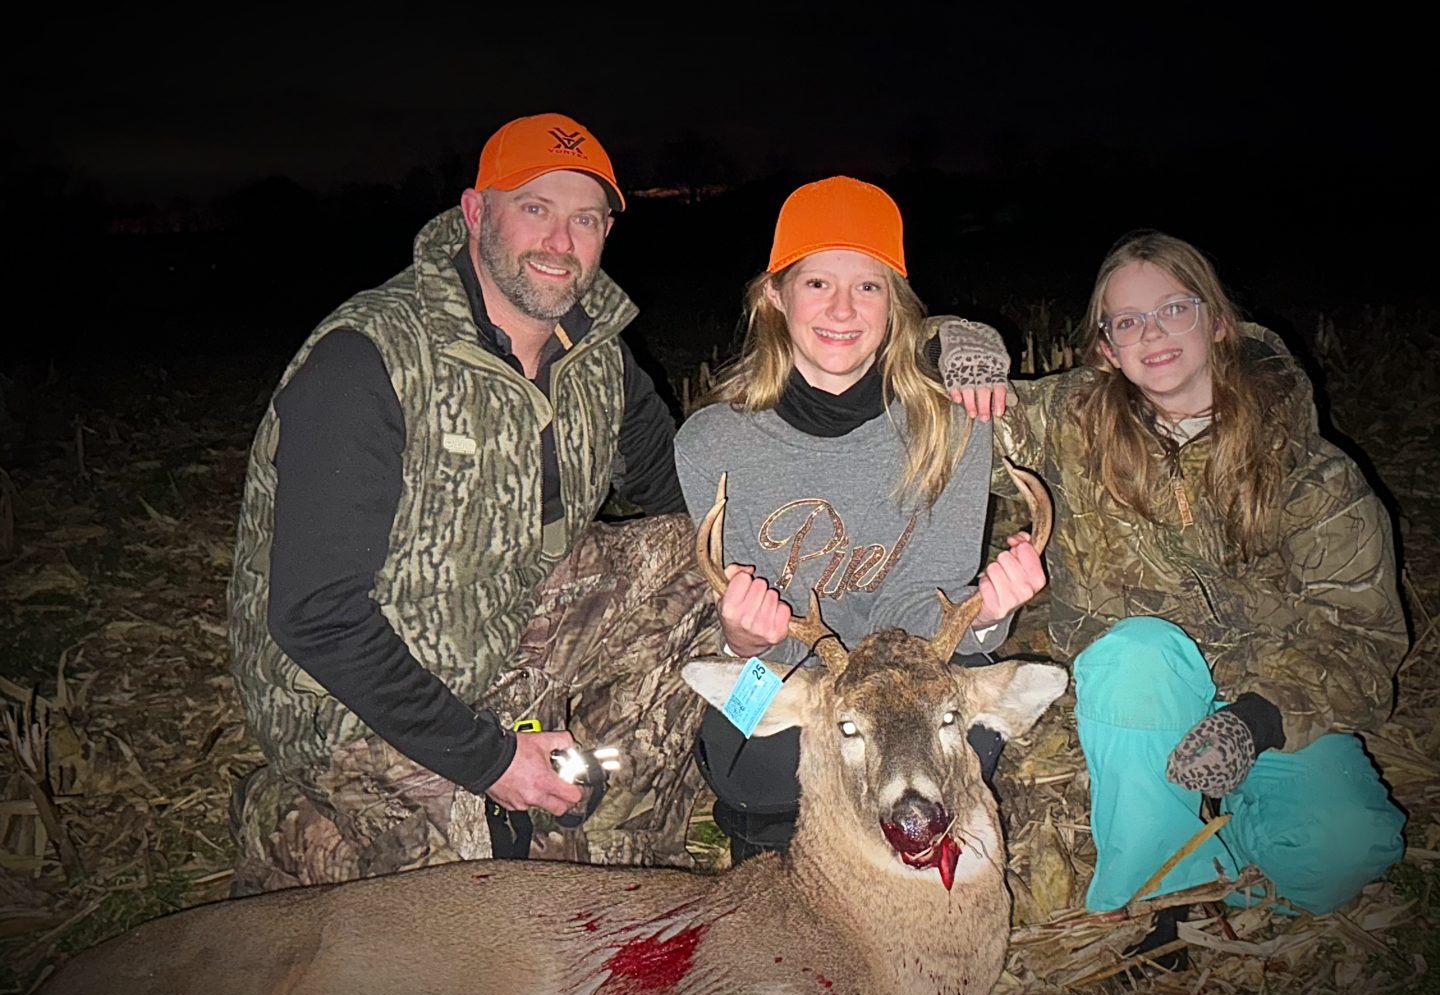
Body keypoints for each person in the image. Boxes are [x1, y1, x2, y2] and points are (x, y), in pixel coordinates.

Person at [226, 112, 717, 894]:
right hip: (351, 694)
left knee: (701, 563)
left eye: (585, 219)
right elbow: (315, 614)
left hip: (506, 633)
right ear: (475, 212)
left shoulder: (599, 357)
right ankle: (286, 816)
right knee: (467, 898)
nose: (560, 242)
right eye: (535, 209)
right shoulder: (369, 359)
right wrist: (489, 759)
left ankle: (616, 837)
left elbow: (676, 499)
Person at [940, 230, 1407, 921]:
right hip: (1141, 699)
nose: (1152, 333)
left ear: (1217, 322)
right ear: (1107, 347)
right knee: (1137, 651)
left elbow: (1366, 638)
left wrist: (1257, 720)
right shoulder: (1069, 423)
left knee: (1344, 852)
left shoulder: (1313, 473)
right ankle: (1169, 890)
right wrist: (947, 343)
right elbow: (930, 415)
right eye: (1127, 321)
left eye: (1173, 309)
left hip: (1267, 701)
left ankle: (1209, 842)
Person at [673, 176, 1044, 864]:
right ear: (774, 296)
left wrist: (988, 618)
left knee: (969, 736)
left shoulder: (953, 427)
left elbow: (925, 603)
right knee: (746, 764)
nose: (842, 309)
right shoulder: (711, 443)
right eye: (817, 283)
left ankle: (912, 860)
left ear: (895, 305)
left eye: (868, 286)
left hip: (905, 671)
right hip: (783, 670)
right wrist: (741, 642)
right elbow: (759, 640)